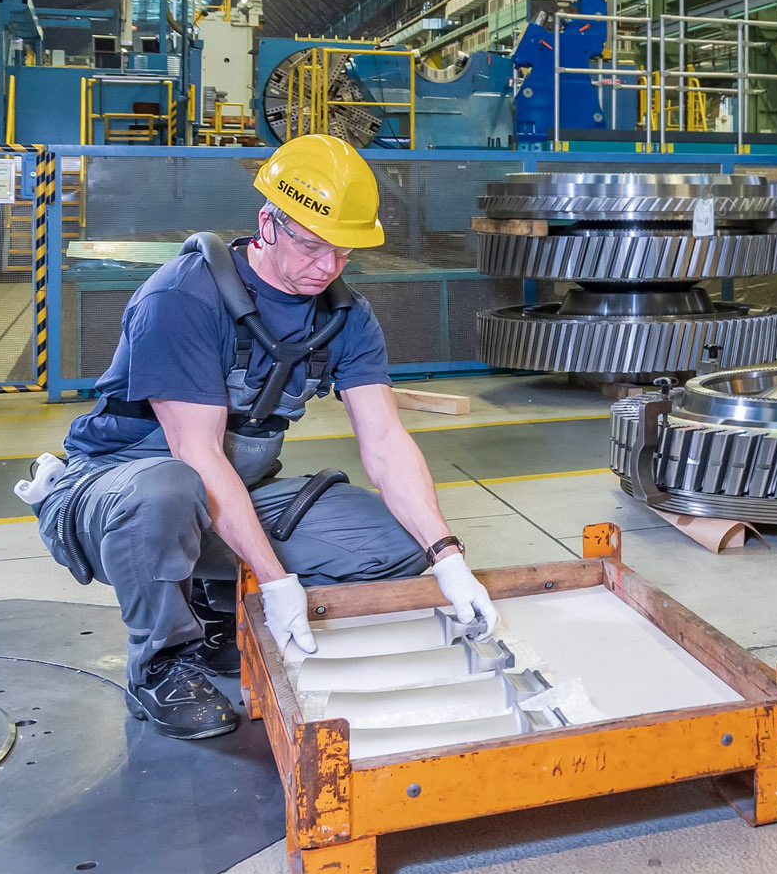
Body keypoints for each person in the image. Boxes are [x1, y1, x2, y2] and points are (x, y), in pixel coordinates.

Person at [29, 134, 497, 741]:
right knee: (168, 491)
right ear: (266, 222)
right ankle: (163, 663)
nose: (325, 267)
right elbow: (195, 454)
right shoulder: (184, 297)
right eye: (310, 244)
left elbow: (385, 443)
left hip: (239, 489)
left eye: (343, 252)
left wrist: (449, 559)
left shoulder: (346, 318)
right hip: (115, 491)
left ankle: (221, 616)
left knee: (395, 544)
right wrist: (278, 582)